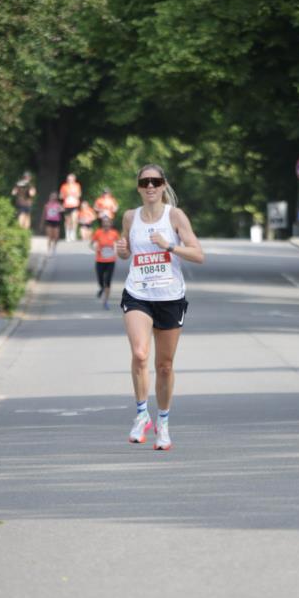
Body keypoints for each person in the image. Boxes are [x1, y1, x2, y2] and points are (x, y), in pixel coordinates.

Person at [116, 164, 204, 450]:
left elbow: (198, 254)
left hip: (169, 296)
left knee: (164, 366)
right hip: (138, 293)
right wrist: (123, 251)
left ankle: (163, 423)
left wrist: (169, 246)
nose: (150, 186)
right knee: (140, 355)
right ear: (138, 187)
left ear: (164, 185)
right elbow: (128, 251)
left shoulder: (175, 216)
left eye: (155, 181)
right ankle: (142, 415)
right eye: (145, 182)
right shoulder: (130, 217)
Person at [90, 215, 120, 310]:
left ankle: (105, 301)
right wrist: (96, 248)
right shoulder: (98, 233)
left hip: (111, 261)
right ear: (102, 224)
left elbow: (118, 244)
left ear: (110, 224)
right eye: (104, 223)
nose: (106, 224)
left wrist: (116, 251)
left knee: (108, 281)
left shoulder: (114, 233)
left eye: (108, 223)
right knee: (100, 280)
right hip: (100, 260)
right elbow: (91, 244)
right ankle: (102, 288)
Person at [59, 173, 82, 241]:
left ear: (74, 179)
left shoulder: (77, 185)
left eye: (71, 179)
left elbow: (79, 194)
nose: (69, 180)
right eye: (68, 179)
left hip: (74, 204)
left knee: (74, 219)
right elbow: (60, 196)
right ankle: (67, 235)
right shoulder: (64, 186)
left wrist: (74, 195)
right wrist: (66, 195)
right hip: (67, 205)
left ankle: (73, 234)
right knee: (67, 220)